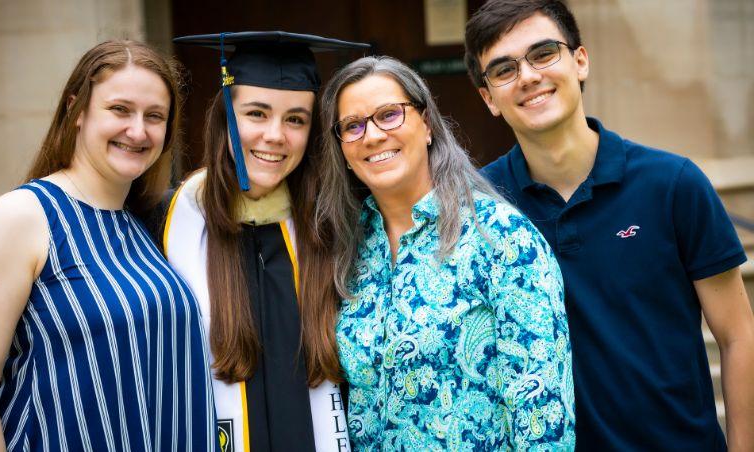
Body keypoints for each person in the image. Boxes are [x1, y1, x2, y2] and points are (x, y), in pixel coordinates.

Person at [463, 1, 754, 450]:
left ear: (580, 61)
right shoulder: (478, 208)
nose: (528, 76)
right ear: (488, 99)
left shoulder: (673, 184)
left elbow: (737, 337)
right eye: (504, 69)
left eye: (544, 53)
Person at [0, 40, 217, 451]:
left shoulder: (141, 226)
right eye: (119, 109)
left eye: (155, 116)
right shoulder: (23, 217)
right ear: (77, 110)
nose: (138, 130)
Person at [317, 55, 575, 450]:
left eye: (389, 115)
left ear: (428, 126)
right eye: (352, 126)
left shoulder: (501, 239)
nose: (371, 136)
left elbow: (542, 417)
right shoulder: (348, 251)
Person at [161, 32, 368, 452]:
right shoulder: (165, 222)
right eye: (256, 113)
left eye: (296, 119)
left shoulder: (336, 226)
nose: (275, 135)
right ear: (226, 119)